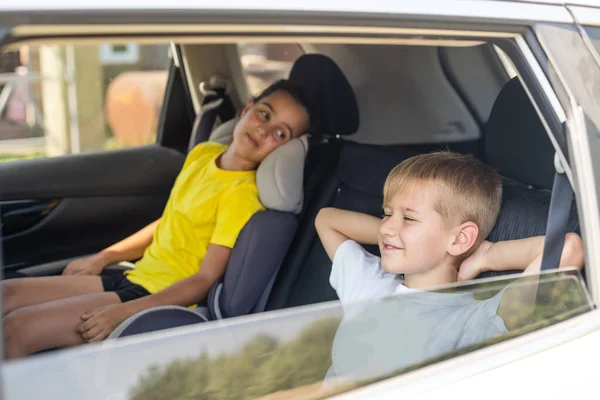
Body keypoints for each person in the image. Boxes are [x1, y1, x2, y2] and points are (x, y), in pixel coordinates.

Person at [2, 79, 314, 359]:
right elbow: (168, 222)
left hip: (154, 297)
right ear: (247, 108)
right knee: (8, 293)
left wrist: (123, 312)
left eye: (280, 133)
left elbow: (204, 280)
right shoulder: (204, 154)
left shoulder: (241, 197)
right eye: (265, 114)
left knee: (17, 329)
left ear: (284, 150)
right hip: (135, 276)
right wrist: (103, 257)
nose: (264, 129)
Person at [315, 151, 585, 383]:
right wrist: (399, 238)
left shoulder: (473, 322)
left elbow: (568, 249)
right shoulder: (370, 284)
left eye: (409, 217)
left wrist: (485, 256)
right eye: (387, 213)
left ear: (459, 238)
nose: (387, 226)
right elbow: (326, 220)